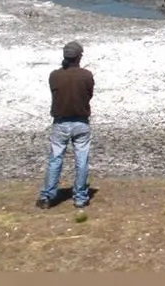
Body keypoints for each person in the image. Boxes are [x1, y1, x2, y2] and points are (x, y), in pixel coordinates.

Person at [36, 41, 95, 210]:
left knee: (55, 159)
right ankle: (80, 197)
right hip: (81, 122)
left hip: (60, 122)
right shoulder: (87, 75)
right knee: (81, 160)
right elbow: (89, 94)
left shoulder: (54, 75)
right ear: (79, 57)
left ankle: (47, 196)